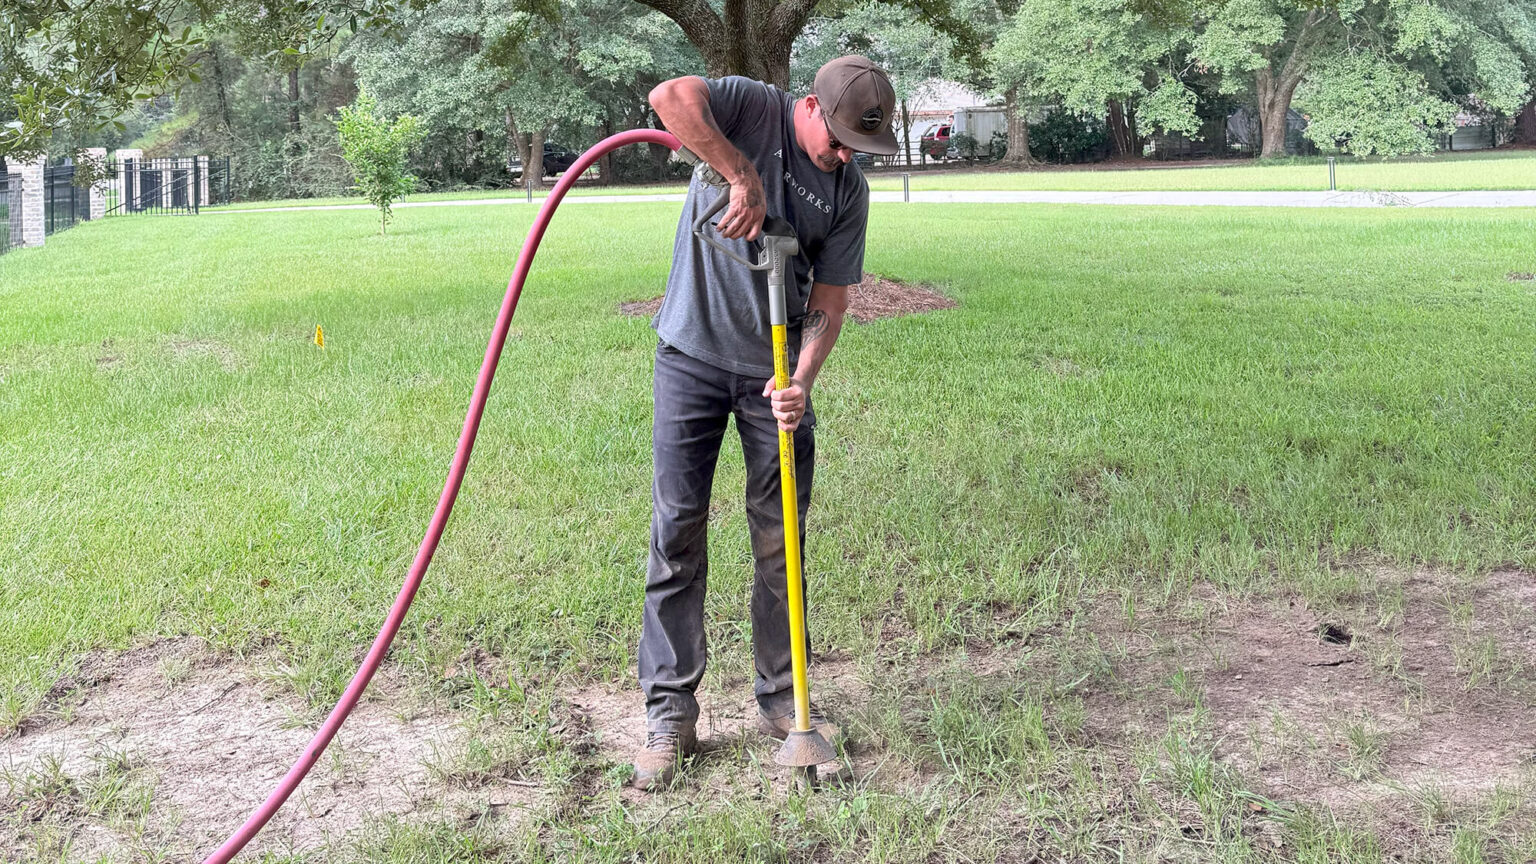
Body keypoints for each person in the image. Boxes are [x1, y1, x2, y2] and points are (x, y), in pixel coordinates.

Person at [633, 56, 900, 790]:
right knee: (677, 528)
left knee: (781, 538)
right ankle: (671, 715)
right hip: (690, 353)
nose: (843, 157)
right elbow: (669, 98)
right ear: (810, 106)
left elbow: (835, 300)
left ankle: (783, 701)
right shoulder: (752, 108)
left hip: (773, 375)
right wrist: (738, 173)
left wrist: (800, 385)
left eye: (858, 150)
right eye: (839, 140)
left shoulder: (848, 191)